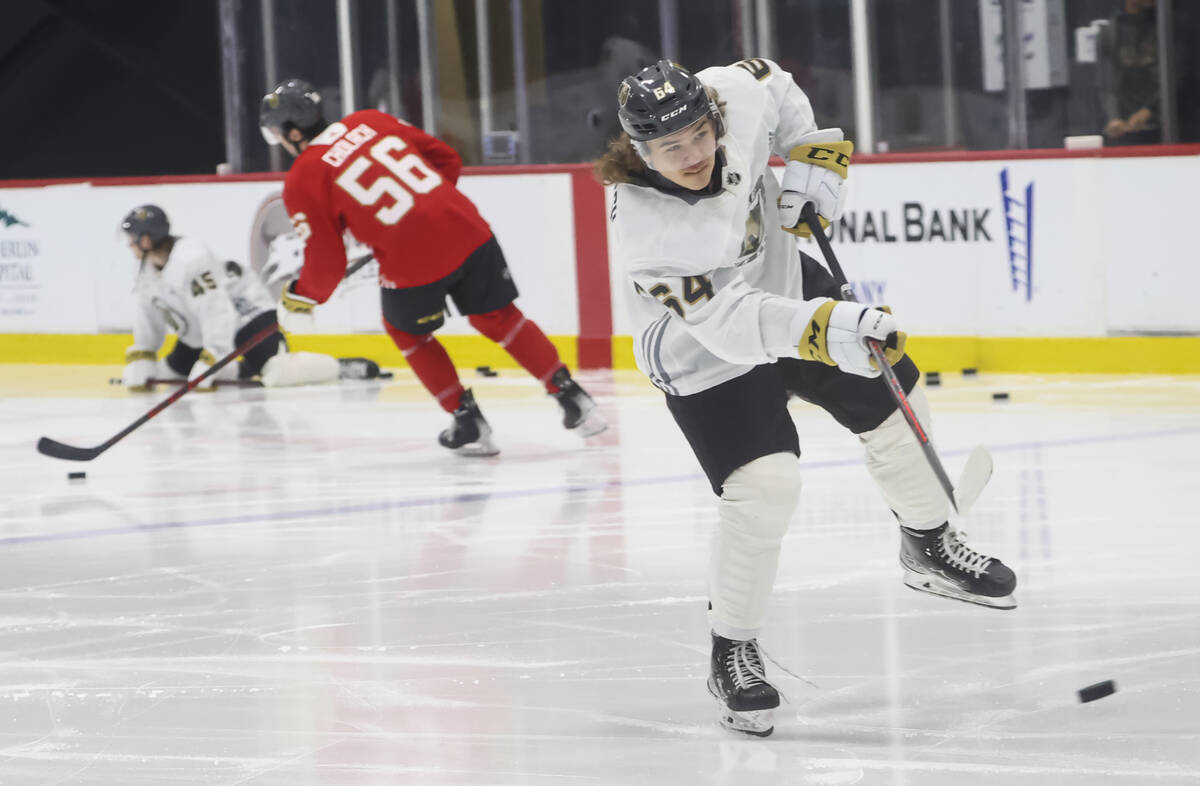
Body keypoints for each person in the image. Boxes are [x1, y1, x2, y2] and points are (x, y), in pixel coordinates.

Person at [595, 59, 1017, 737]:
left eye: (700, 134)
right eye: (671, 148)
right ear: (640, 151)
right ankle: (732, 648)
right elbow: (729, 326)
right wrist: (826, 330)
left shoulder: (733, 93)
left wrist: (811, 161)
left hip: (785, 283)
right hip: (701, 350)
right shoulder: (651, 232)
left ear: (712, 115)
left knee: (893, 389)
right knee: (765, 488)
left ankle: (929, 542)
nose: (695, 154)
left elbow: (776, 84)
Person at [257, 78, 605, 455]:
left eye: (278, 133)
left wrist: (299, 298)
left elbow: (327, 264)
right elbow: (447, 159)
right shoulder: (371, 120)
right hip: (467, 229)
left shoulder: (303, 177)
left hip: (411, 261)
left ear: (293, 132)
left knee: (408, 332)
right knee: (499, 317)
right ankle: (572, 397)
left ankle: (467, 421)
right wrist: (424, 213)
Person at [119, 204, 363, 390]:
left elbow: (217, 309)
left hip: (248, 315)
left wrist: (213, 356)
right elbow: (148, 313)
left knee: (277, 372)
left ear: (146, 240)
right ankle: (241, 369)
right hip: (202, 330)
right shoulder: (143, 269)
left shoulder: (190, 259)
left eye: (132, 238)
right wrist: (143, 353)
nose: (129, 244)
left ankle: (339, 368)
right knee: (173, 371)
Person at [1098, 0, 1161, 146]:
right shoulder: (1110, 33)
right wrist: (1113, 117)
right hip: (1125, 131)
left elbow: (1177, 77)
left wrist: (1150, 110)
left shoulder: (1166, 26)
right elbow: (1106, 82)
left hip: (1167, 128)